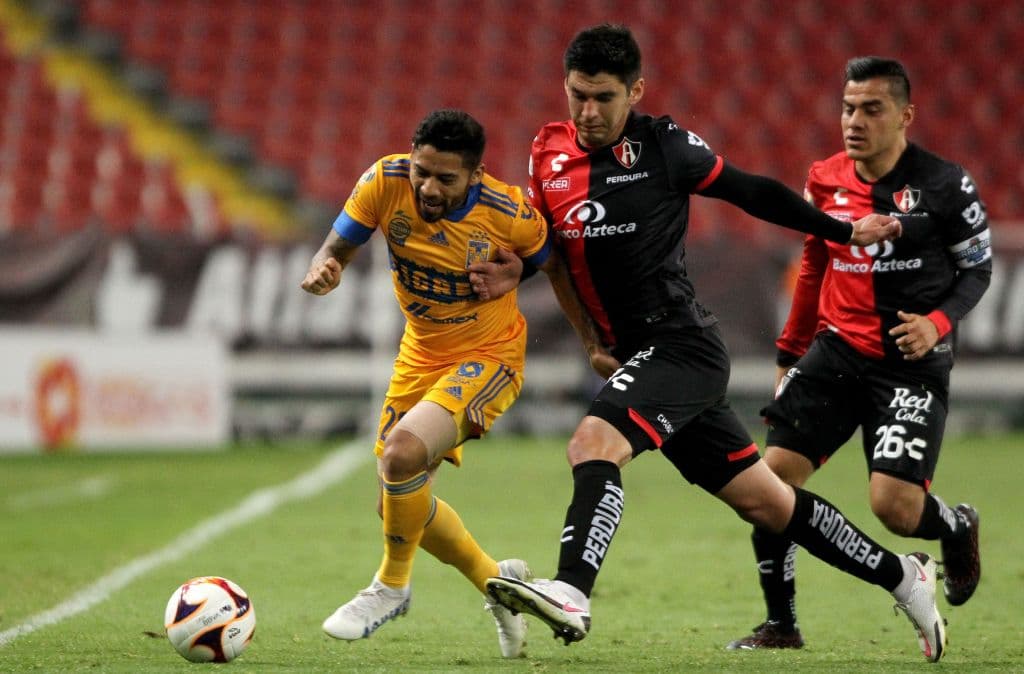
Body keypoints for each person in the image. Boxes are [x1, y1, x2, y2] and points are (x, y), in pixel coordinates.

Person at [475, 25, 947, 662]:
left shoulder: (666, 147)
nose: (587, 112)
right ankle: (904, 578)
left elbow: (752, 190)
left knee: (593, 442)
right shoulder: (546, 150)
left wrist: (842, 231)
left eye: (604, 98)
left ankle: (572, 591)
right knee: (768, 503)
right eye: (577, 95)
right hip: (635, 352)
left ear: (635, 92)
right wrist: (542, 292)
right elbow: (551, 251)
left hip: (682, 346)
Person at [301, 109, 603, 658]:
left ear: (475, 174)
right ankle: (500, 584)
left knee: (401, 456)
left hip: (489, 356)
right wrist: (326, 268)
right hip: (420, 353)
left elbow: (556, 264)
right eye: (422, 171)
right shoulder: (383, 182)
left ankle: (391, 588)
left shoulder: (506, 211)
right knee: (396, 501)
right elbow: (335, 248)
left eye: (445, 178)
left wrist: (590, 341)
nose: (428, 187)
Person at [726, 56, 989, 651]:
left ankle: (952, 525)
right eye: (848, 107)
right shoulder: (824, 177)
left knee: (894, 509)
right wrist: (789, 353)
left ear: (905, 115)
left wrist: (937, 322)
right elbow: (817, 258)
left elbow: (978, 269)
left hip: (910, 365)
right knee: (766, 488)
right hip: (836, 353)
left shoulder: (948, 185)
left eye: (872, 109)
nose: (855, 120)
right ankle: (782, 625)